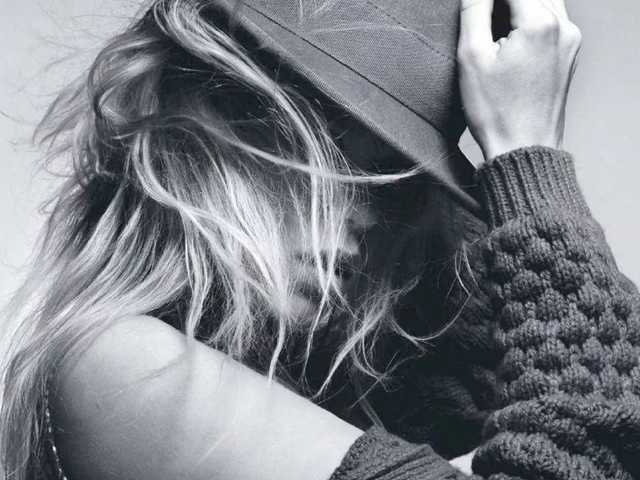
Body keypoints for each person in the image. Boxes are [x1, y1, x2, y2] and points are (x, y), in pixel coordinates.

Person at [1, 0, 639, 479]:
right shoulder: (125, 367)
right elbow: (589, 441)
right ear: (198, 112)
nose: (363, 220)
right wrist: (530, 163)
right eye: (327, 154)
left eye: (391, 186)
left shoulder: (340, 379)